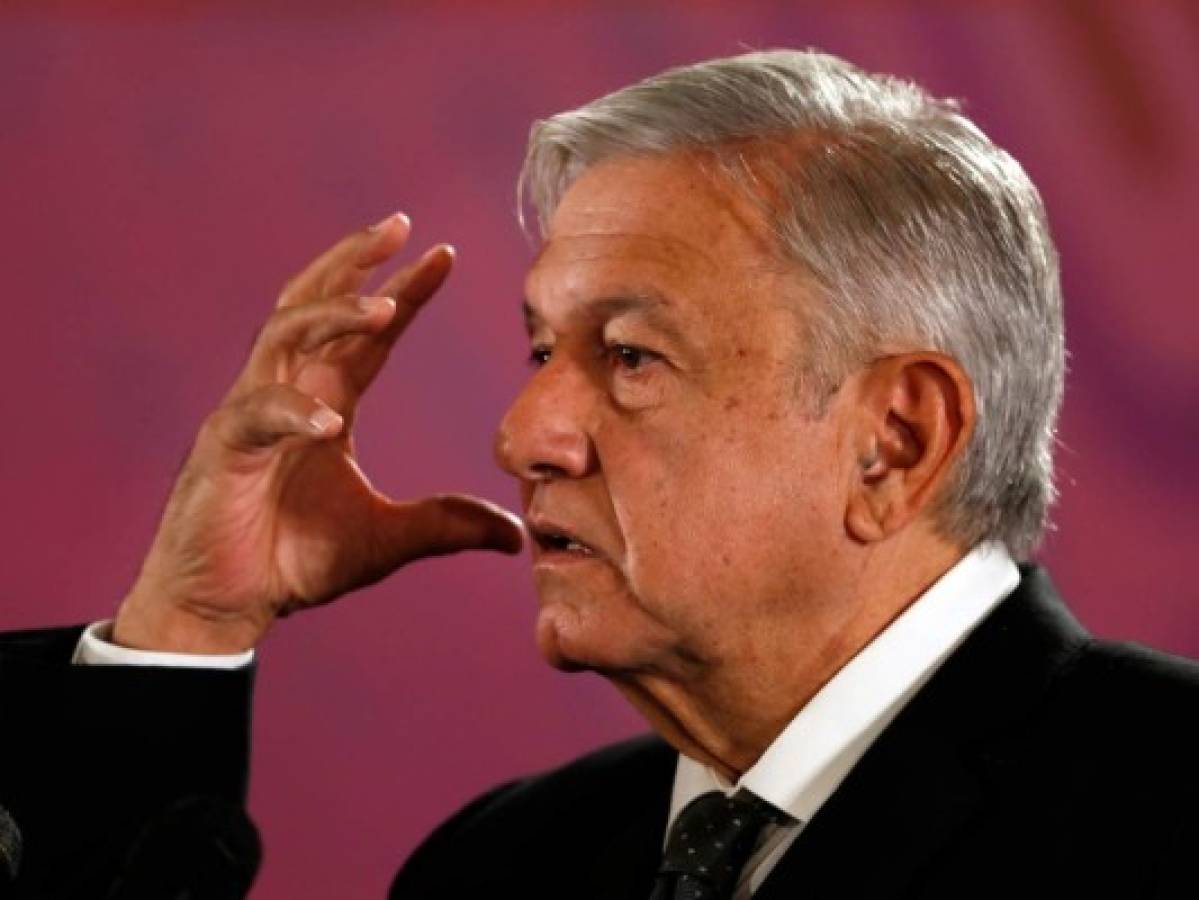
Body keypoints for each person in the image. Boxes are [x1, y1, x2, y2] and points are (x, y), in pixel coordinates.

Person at [2, 48, 1196, 899]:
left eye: (628, 355)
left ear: (892, 438)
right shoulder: (505, 864)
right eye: (540, 351)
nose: (524, 435)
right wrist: (187, 631)